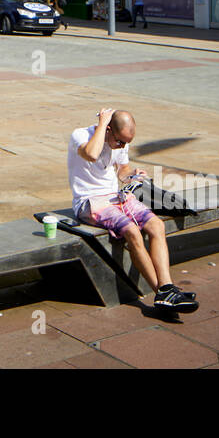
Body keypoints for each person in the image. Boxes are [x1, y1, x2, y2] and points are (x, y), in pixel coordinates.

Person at [68, 108, 198, 312]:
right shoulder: (81, 135)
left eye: (127, 142)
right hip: (90, 202)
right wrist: (103, 123)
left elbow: (123, 170)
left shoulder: (121, 142)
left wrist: (132, 176)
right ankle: (162, 293)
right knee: (131, 231)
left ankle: (167, 287)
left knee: (156, 225)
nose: (122, 146)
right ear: (108, 130)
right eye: (120, 141)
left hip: (116, 197)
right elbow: (91, 155)